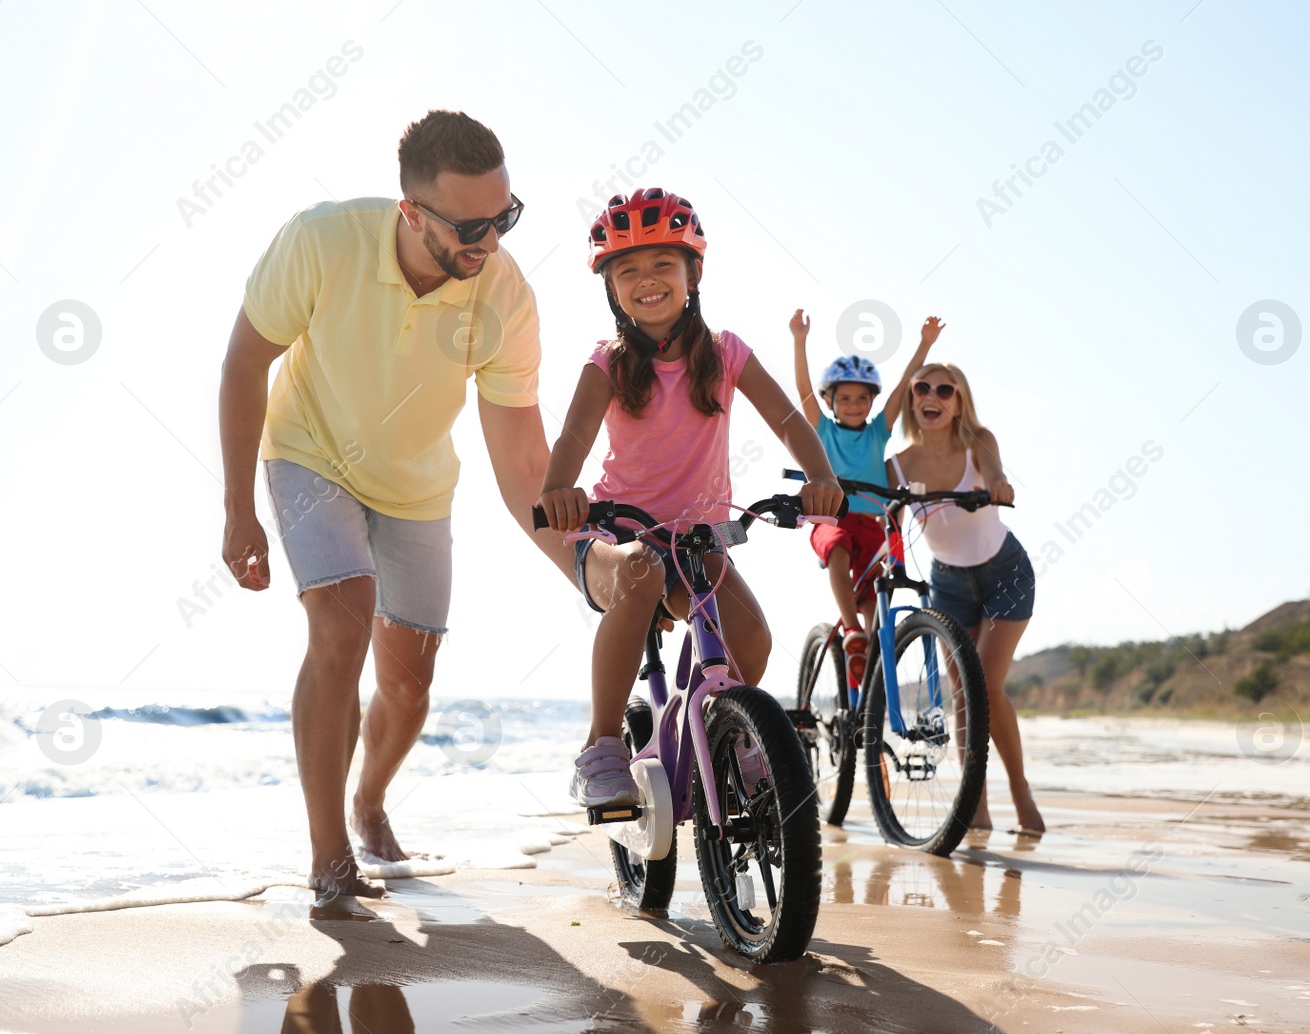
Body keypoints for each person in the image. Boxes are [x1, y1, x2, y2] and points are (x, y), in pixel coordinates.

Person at [218, 110, 571, 899]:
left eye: (504, 217)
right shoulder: (322, 243)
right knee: (342, 617)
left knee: (409, 682)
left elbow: (522, 457)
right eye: (471, 224)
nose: (490, 240)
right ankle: (328, 858)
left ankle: (370, 798)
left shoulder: (504, 295)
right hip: (312, 453)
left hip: (417, 483)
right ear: (411, 211)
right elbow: (244, 363)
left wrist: (584, 564)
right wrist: (239, 510)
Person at [537, 188, 843, 807]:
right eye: (628, 271)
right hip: (616, 539)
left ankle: (720, 735)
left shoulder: (725, 353)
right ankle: (601, 748)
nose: (646, 281)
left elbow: (788, 420)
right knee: (642, 571)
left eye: (661, 266)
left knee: (752, 639)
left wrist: (821, 477)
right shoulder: (609, 364)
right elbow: (568, 447)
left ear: (692, 274)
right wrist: (560, 493)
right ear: (611, 289)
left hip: (696, 541)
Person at [892, 362, 1044, 834]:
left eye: (944, 389)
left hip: (1006, 572)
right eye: (922, 388)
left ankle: (1020, 791)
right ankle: (974, 804)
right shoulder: (898, 465)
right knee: (962, 694)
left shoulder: (979, 442)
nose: (931, 396)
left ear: (959, 401)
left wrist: (998, 485)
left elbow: (995, 471)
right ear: (912, 398)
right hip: (949, 584)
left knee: (985, 686)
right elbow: (884, 520)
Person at [790, 310, 945, 684]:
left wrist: (925, 343)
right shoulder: (823, 429)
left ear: (872, 401)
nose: (854, 404)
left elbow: (904, 385)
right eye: (845, 398)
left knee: (877, 598)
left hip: (874, 524)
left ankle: (867, 679)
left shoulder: (878, 433)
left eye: (862, 398)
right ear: (831, 402)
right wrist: (799, 340)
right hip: (832, 517)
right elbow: (803, 391)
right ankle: (851, 630)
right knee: (839, 549)